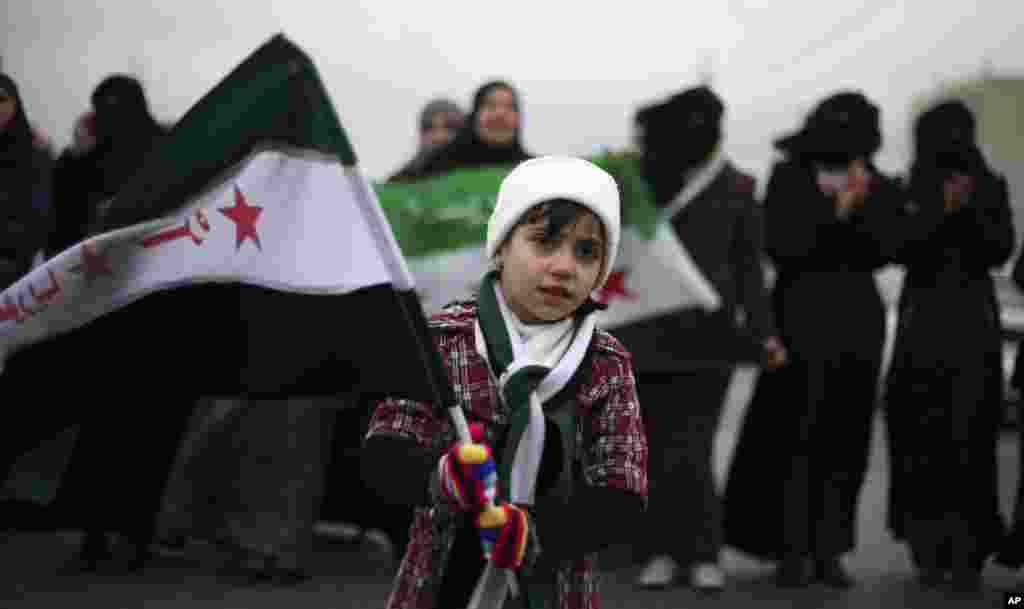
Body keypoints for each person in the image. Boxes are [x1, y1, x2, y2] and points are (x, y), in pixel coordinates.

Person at [362, 156, 647, 608]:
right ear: (500, 246)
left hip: (555, 588)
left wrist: (537, 534)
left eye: (586, 251)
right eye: (544, 242)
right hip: (437, 584)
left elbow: (622, 493)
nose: (564, 266)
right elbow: (383, 454)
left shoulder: (607, 362)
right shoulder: (442, 339)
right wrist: (441, 478)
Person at [723, 91, 906, 588]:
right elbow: (782, 244)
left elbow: (888, 248)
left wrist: (855, 214)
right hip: (800, 316)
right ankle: (789, 547)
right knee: (790, 433)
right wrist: (838, 214)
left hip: (857, 323)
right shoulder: (787, 177)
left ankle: (830, 548)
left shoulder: (880, 183)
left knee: (845, 437)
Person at [617, 86, 785, 591]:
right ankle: (662, 551)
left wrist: (764, 332)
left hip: (711, 337)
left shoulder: (737, 186)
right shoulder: (641, 184)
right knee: (655, 446)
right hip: (646, 331)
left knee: (693, 445)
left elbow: (749, 269)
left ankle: (699, 551)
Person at [885, 100, 1013, 593]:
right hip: (923, 323)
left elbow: (1001, 247)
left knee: (971, 436)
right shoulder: (908, 186)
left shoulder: (991, 185)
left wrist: (970, 211)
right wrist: (943, 212)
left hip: (973, 323)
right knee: (921, 434)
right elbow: (897, 246)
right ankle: (927, 548)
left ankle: (969, 551)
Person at [412, 80, 533, 180]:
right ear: (474, 115)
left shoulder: (533, 172)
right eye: (491, 105)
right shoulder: (437, 168)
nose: (500, 114)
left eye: (509, 106)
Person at [0, 73, 53, 290]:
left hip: (15, 268)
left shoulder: (34, 153)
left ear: (15, 104)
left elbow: (40, 217)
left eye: (1, 100)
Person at [389, 98, 466, 182]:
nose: (439, 136)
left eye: (448, 127)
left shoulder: (476, 171)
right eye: (430, 128)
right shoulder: (401, 181)